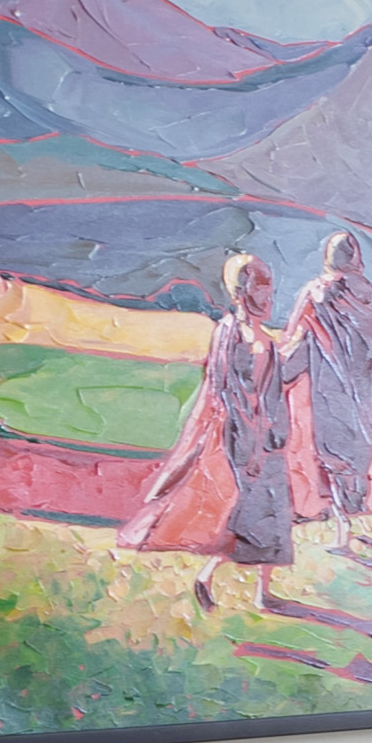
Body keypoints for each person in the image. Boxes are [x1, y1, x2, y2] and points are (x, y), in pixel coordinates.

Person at [120, 247, 301, 613]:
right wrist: (247, 441)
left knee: (274, 514)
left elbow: (275, 386)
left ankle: (263, 593)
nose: (267, 295)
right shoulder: (228, 333)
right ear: (240, 291)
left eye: (269, 287)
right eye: (260, 287)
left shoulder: (265, 337)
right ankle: (206, 576)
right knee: (243, 517)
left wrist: (275, 428)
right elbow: (226, 390)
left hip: (268, 440)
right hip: (239, 439)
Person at [287, 228, 372, 550]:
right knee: (353, 457)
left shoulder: (318, 291)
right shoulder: (369, 294)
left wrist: (278, 370)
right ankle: (348, 519)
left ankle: (340, 526)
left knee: (329, 455)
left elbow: (299, 336)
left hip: (326, 387)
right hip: (362, 390)